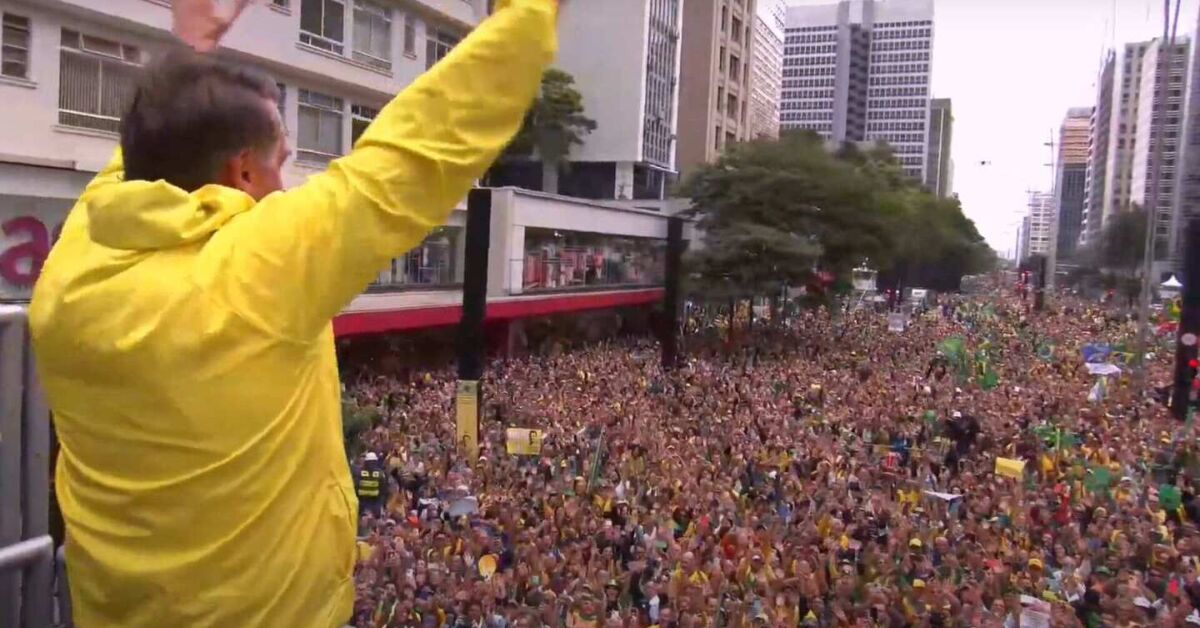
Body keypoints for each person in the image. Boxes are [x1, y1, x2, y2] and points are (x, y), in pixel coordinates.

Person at [28, 0, 557, 625]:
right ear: (244, 169)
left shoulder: (73, 262)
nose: (288, 181)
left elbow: (149, 155)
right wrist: (530, 13)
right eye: (281, 160)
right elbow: (419, 150)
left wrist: (193, 58)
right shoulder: (255, 275)